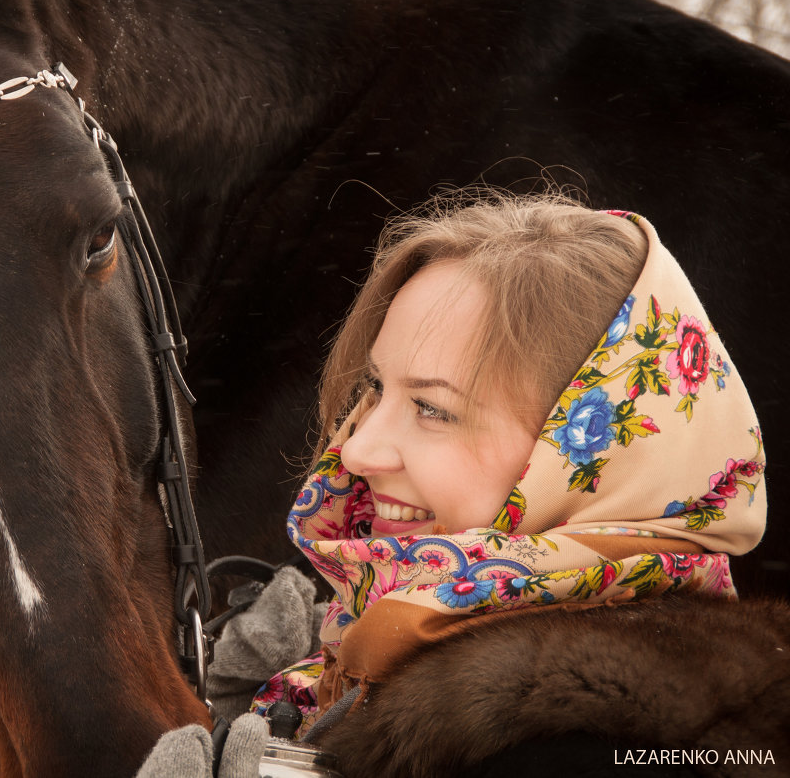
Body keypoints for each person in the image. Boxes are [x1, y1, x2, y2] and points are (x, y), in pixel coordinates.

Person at [138, 194, 786, 777]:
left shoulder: (613, 749)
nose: (357, 448)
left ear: (604, 449)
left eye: (434, 409)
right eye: (375, 389)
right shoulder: (367, 650)